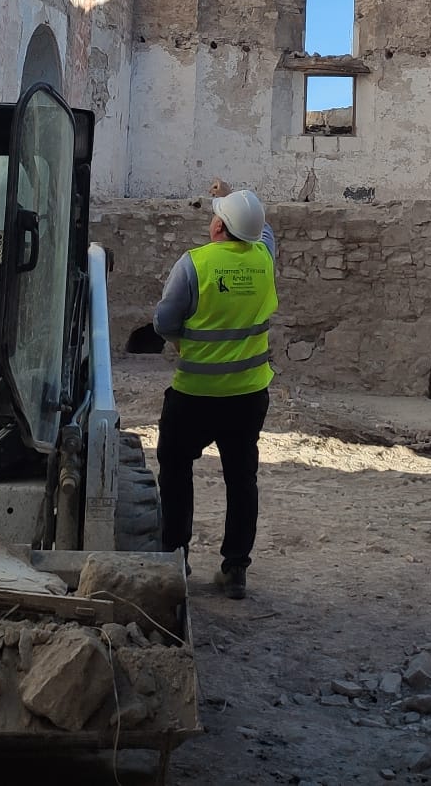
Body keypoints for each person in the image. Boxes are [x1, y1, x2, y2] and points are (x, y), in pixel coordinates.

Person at [153, 183, 278, 599]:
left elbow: (164, 322)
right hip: (248, 396)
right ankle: (235, 568)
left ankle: (176, 556)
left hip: (195, 394)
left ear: (218, 227)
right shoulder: (264, 259)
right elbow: (266, 232)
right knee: (242, 479)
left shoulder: (194, 265)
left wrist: (184, 343)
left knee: (174, 469)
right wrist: (238, 197)